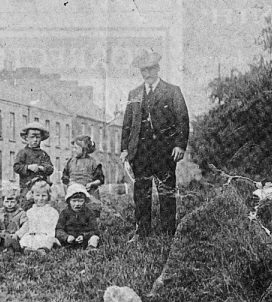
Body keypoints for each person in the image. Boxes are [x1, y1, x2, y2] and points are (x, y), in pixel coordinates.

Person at [120, 51, 189, 241]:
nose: (147, 73)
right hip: (140, 152)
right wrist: (125, 149)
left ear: (157, 69)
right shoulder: (134, 93)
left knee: (166, 191)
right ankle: (142, 232)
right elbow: (127, 123)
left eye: (150, 69)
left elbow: (182, 120)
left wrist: (180, 145)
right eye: (143, 70)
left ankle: (168, 232)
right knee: (141, 192)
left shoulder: (172, 91)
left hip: (164, 152)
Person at [13, 122, 54, 210]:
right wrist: (28, 167)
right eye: (32, 137)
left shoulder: (43, 154)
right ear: (26, 138)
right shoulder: (23, 153)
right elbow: (16, 167)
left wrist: (41, 168)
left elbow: (50, 168)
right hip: (27, 188)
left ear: (41, 138)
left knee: (42, 208)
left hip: (41, 188)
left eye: (38, 137)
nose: (35, 140)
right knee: (27, 209)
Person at [62, 135, 104, 218]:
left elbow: (100, 179)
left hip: (89, 192)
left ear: (84, 149)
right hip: (74, 191)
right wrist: (70, 182)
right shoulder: (70, 161)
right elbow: (64, 177)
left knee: (91, 214)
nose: (73, 150)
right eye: (73, 148)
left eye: (76, 148)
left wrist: (92, 184)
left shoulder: (93, 162)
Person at [16, 178, 60, 253]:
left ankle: (42, 250)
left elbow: (52, 229)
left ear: (49, 196)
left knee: (48, 240)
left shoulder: (52, 212)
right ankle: (27, 249)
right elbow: (26, 226)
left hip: (45, 235)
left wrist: (49, 236)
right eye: (37, 195)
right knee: (25, 239)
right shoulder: (30, 211)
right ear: (32, 195)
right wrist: (17, 235)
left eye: (44, 196)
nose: (40, 198)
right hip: (32, 235)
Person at [55, 184, 100, 250]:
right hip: (68, 240)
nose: (77, 204)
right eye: (74, 201)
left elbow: (95, 230)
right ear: (68, 201)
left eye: (80, 201)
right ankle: (63, 247)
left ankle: (90, 248)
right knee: (55, 239)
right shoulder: (64, 213)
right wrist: (66, 237)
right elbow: (59, 229)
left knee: (95, 238)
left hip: (84, 240)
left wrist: (83, 236)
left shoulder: (89, 213)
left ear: (85, 201)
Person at [0, 186, 26, 252]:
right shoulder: (1, 211)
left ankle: (11, 248)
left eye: (12, 202)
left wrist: (17, 235)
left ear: (17, 202)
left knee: (11, 240)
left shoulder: (21, 213)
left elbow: (25, 226)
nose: (9, 204)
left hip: (13, 235)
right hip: (1, 234)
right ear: (3, 202)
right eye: (7, 202)